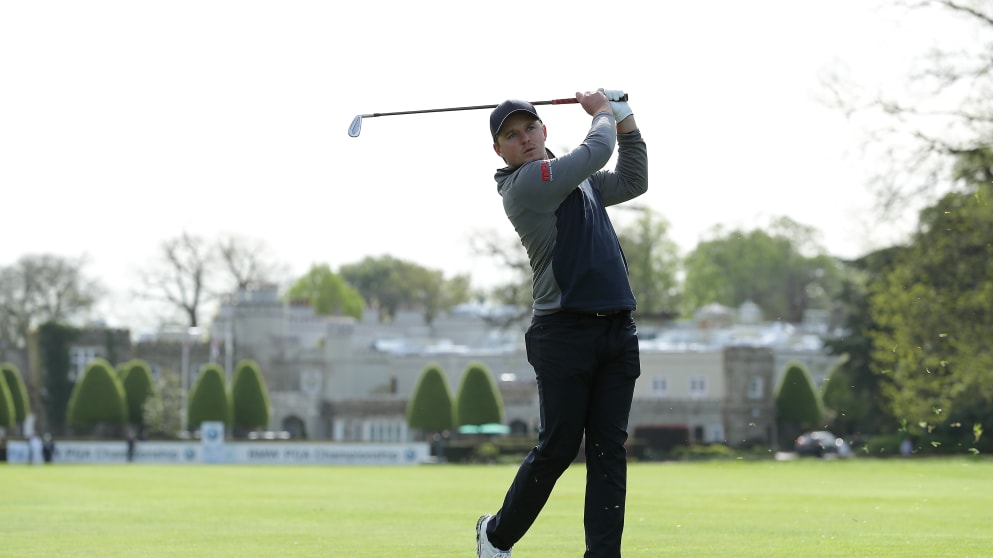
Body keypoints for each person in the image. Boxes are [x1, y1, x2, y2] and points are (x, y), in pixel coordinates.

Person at [476, 89, 647, 558]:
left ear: (544, 129)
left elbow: (634, 180)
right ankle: (496, 536)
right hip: (562, 333)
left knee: (609, 451)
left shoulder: (577, 180)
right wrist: (604, 112)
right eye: (512, 136)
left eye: (530, 128)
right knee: (558, 447)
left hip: (616, 328)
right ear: (499, 150)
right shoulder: (526, 184)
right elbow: (598, 150)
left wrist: (627, 118)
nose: (525, 139)